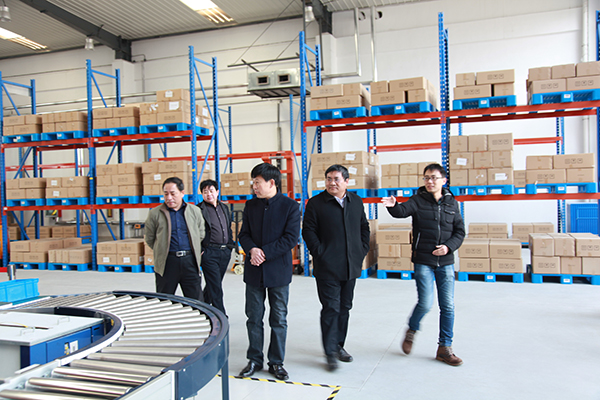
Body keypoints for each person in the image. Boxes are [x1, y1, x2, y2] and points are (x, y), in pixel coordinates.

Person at [381, 163, 465, 366]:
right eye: (426, 178)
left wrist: (448, 247)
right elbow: (402, 211)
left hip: (445, 262)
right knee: (426, 303)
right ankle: (412, 329)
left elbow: (460, 232)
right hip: (424, 261)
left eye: (434, 177)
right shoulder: (418, 200)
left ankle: (445, 348)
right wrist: (393, 206)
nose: (430, 181)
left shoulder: (452, 203)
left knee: (448, 306)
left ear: (443, 180)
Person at [302, 164, 370, 372]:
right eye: (329, 179)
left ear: (346, 182)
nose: (332, 183)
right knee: (331, 307)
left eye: (336, 179)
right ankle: (330, 352)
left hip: (350, 265)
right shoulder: (316, 203)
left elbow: (364, 227)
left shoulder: (356, 201)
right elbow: (308, 231)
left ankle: (339, 345)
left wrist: (361, 250)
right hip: (327, 267)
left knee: (345, 307)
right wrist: (320, 253)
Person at [237, 163, 301, 381]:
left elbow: (290, 238)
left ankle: (276, 362)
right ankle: (254, 359)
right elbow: (243, 234)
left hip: (278, 272)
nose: (254, 186)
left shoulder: (290, 206)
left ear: (271, 183)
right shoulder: (250, 205)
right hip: (254, 271)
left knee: (278, 318)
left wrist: (263, 252)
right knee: (253, 317)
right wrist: (252, 249)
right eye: (253, 182)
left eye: (257, 182)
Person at [145, 177, 205, 300]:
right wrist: (162, 249)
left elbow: (200, 233)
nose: (169, 197)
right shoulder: (155, 213)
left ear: (182, 193)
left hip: (190, 261)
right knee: (164, 300)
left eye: (173, 194)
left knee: (196, 301)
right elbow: (150, 238)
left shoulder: (195, 211)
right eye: (166, 194)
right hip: (167, 263)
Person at [198, 179, 235, 316]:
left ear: (217, 192)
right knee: (216, 286)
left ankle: (201, 308)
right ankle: (221, 315)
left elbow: (228, 227)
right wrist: (201, 250)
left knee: (213, 283)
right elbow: (194, 232)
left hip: (225, 252)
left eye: (211, 191)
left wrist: (230, 246)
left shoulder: (224, 207)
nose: (208, 194)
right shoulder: (198, 209)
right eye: (205, 192)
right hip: (209, 252)